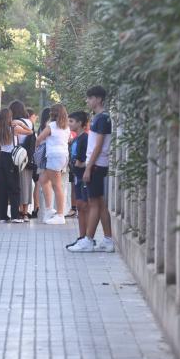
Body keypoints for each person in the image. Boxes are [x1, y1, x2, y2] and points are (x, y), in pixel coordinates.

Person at [69, 86, 115, 253]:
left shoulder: (102, 118)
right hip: (96, 164)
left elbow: (98, 145)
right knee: (101, 203)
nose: (88, 101)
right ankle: (108, 239)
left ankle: (88, 239)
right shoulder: (99, 118)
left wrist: (88, 167)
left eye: (90, 98)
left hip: (96, 165)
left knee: (94, 203)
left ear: (99, 99)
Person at [35, 103, 70, 225]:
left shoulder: (52, 126)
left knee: (57, 185)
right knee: (43, 180)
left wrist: (36, 149)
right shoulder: (66, 127)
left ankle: (60, 214)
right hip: (63, 156)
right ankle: (50, 209)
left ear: (52, 114)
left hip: (53, 156)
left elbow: (39, 138)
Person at [0, 108, 23, 223]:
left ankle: (3, 216)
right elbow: (29, 131)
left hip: (1, 158)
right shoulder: (14, 128)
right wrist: (20, 123)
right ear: (10, 116)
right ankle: (15, 216)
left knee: (2, 188)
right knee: (14, 187)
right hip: (12, 158)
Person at [66, 111, 90, 248]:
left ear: (80, 123)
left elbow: (89, 158)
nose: (69, 124)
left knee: (85, 206)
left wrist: (83, 164)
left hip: (83, 176)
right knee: (80, 207)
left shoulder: (85, 139)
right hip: (77, 176)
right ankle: (81, 237)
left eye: (71, 121)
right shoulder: (75, 139)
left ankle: (87, 236)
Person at [9, 100, 34, 221]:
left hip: (15, 156)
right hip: (27, 156)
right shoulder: (29, 122)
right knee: (27, 184)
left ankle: (18, 210)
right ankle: (25, 212)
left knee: (17, 184)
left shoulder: (12, 123)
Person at [32, 107, 50, 220]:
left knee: (40, 184)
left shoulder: (40, 128)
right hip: (48, 158)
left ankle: (37, 207)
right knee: (47, 184)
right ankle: (46, 209)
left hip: (40, 158)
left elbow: (37, 141)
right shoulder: (50, 127)